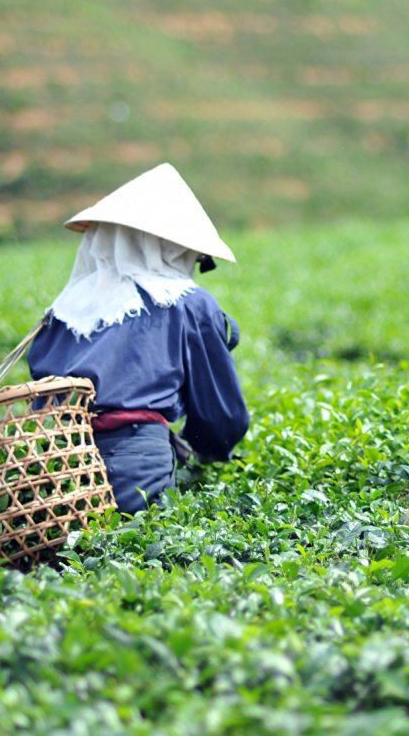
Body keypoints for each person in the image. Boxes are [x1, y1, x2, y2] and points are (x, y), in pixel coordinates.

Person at [27, 163, 249, 516]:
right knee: (132, 559)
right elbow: (221, 416)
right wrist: (207, 449)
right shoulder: (188, 303)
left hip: (52, 470)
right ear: (172, 245)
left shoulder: (67, 307)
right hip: (137, 468)